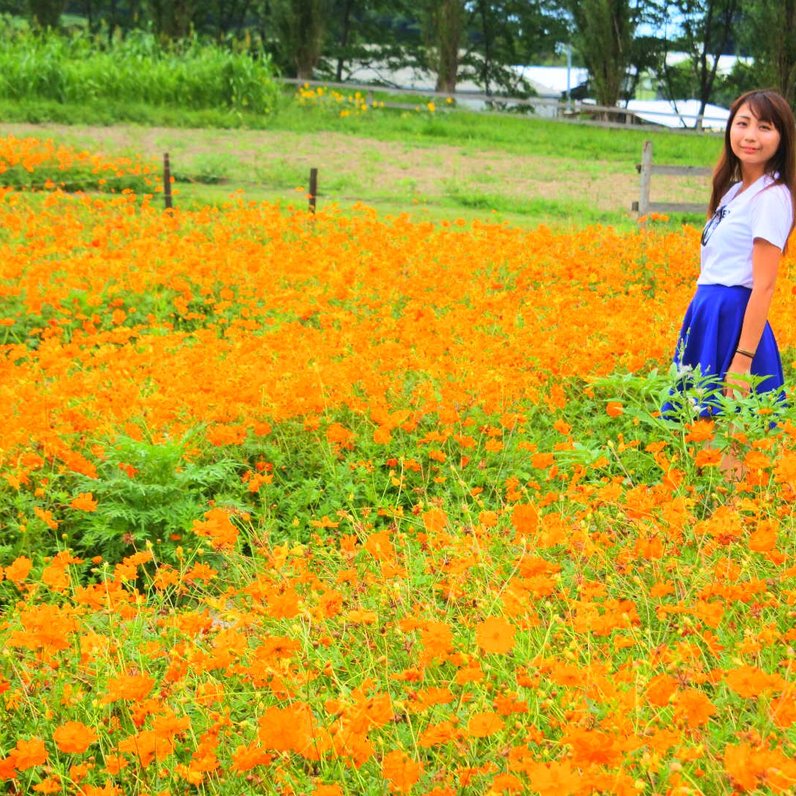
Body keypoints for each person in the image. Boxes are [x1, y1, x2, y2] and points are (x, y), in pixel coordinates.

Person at [663, 89, 796, 430]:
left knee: (729, 445)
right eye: (743, 123)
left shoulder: (771, 197)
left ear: (782, 139)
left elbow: (764, 286)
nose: (751, 136)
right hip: (708, 316)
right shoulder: (734, 192)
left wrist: (743, 359)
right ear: (729, 129)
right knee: (699, 440)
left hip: (735, 323)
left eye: (765, 127)